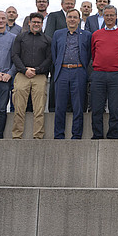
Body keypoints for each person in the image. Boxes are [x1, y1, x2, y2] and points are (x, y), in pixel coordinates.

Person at [51, 9, 92, 139]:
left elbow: (89, 54)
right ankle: (58, 135)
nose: (72, 19)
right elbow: (54, 53)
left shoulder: (86, 35)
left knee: (78, 106)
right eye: (70, 17)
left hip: (79, 71)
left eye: (75, 17)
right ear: (66, 19)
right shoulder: (58, 34)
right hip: (62, 71)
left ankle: (77, 135)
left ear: (79, 20)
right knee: (60, 106)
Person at [90, 5, 118, 139]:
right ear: (103, 16)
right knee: (96, 108)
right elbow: (93, 54)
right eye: (107, 15)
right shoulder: (96, 34)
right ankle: (97, 135)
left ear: (116, 16)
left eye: (112, 15)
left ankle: (113, 135)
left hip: (116, 75)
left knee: (115, 108)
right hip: (98, 74)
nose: (109, 18)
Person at [11, 13, 51, 139]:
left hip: (39, 76)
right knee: (19, 107)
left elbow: (49, 59)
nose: (36, 24)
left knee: (39, 108)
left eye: (38, 22)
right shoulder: (20, 37)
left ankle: (38, 136)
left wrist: (37, 70)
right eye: (34, 22)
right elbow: (15, 55)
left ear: (42, 24)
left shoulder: (47, 39)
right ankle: (17, 136)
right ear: (29, 23)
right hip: (22, 74)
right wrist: (24, 70)